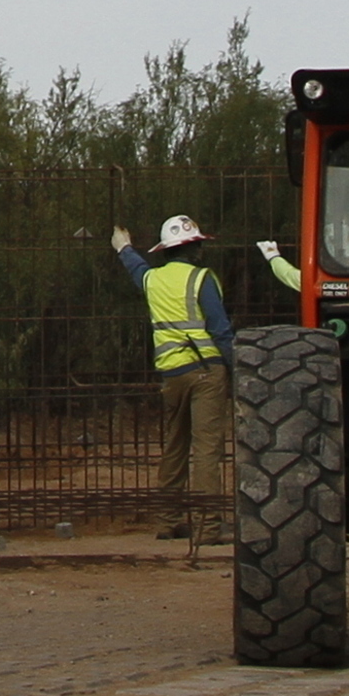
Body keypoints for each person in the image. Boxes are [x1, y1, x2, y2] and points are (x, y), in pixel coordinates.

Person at [116, 214, 238, 541]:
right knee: (207, 450)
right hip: (206, 371)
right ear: (194, 248)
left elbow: (135, 269)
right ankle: (209, 526)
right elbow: (221, 331)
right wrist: (237, 372)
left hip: (171, 374)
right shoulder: (202, 279)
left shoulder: (152, 279)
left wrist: (123, 247)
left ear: (165, 250)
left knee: (174, 447)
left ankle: (167, 521)